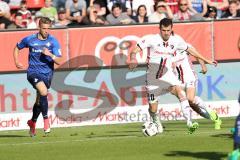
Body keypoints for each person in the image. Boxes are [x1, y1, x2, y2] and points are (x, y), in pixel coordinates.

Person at [128, 18, 217, 134]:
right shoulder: (151, 39)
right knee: (153, 109)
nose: (166, 33)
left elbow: (191, 50)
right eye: (163, 30)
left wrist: (207, 60)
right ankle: (155, 120)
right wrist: (133, 58)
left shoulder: (176, 41)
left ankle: (190, 123)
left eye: (168, 30)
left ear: (171, 29)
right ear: (159, 29)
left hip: (168, 75)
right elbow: (134, 50)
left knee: (181, 93)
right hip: (152, 79)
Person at [13, 17, 63, 137]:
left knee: (40, 101)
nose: (46, 31)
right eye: (44, 28)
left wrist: (50, 54)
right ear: (39, 27)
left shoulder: (53, 41)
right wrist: (16, 61)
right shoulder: (29, 39)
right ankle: (46, 120)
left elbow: (60, 60)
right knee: (43, 91)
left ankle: (32, 122)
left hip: (48, 74)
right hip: (33, 72)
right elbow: (16, 47)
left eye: (48, 28)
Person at [172, 44, 222, 130]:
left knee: (190, 99)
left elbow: (196, 54)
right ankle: (216, 119)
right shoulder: (164, 50)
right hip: (178, 80)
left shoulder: (183, 45)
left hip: (190, 77)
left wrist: (203, 66)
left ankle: (205, 116)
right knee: (191, 104)